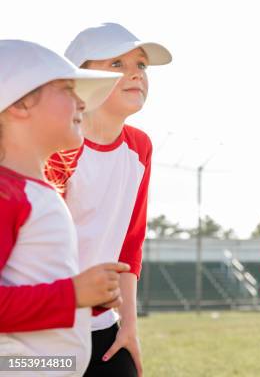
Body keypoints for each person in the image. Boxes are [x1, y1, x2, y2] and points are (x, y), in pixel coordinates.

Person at [46, 23, 172, 377]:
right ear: (79, 80)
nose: (135, 74)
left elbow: (130, 245)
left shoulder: (139, 147)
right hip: (44, 330)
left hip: (104, 328)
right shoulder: (53, 146)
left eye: (141, 65)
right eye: (117, 64)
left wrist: (129, 326)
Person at [0, 39, 129, 376]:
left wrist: (83, 299)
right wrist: (72, 294)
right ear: (22, 104)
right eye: (68, 89)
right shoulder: (6, 194)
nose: (81, 102)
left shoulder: (32, 191)